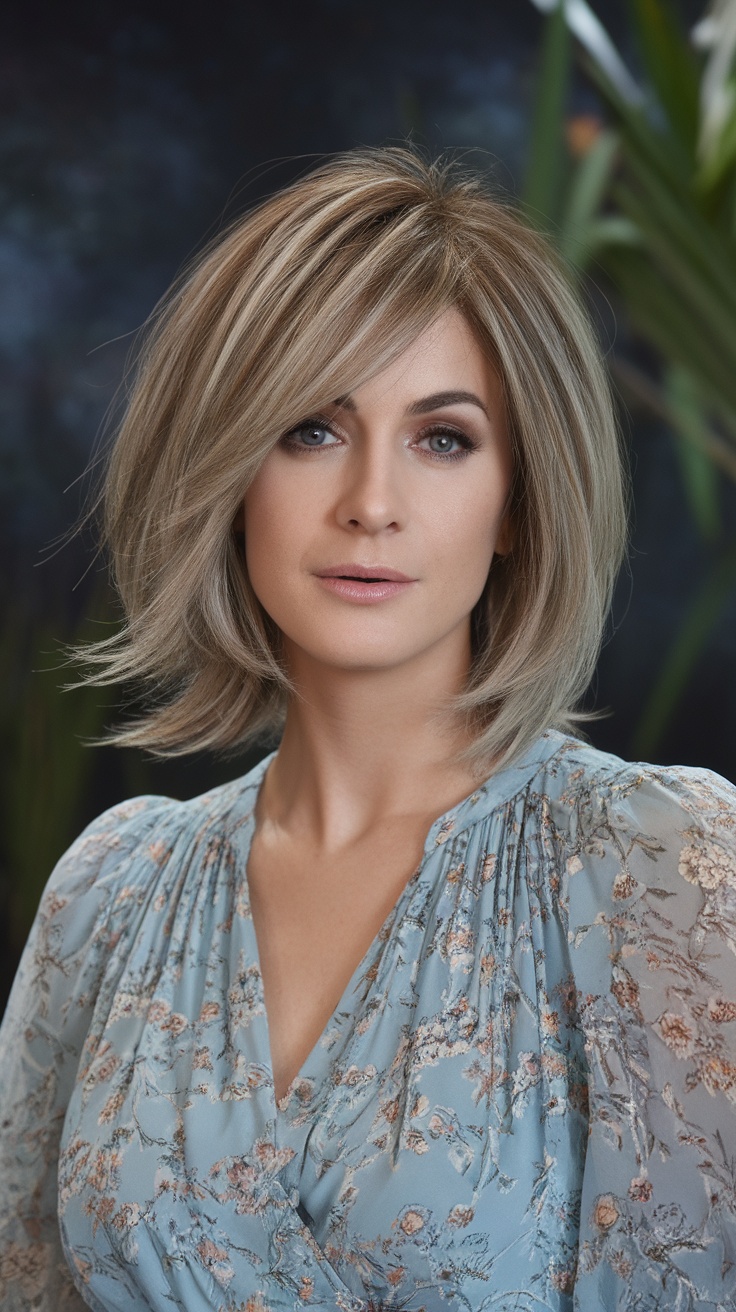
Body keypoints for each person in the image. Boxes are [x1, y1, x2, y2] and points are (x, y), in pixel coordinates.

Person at [0, 146, 734, 1312]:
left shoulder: (667, 864)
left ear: (518, 502)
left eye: (443, 438)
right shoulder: (110, 893)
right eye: (310, 429)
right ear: (228, 467)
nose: (372, 503)